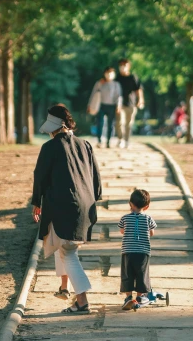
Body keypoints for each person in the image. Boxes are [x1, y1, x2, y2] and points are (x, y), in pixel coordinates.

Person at [32, 103, 102, 315]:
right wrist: (94, 199)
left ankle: (82, 301)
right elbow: (96, 179)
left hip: (63, 204)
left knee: (68, 251)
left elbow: (40, 177)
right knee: (65, 246)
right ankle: (64, 288)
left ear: (54, 126)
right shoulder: (85, 144)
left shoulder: (50, 148)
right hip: (85, 204)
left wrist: (36, 202)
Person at [118, 188, 157, 310]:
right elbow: (152, 233)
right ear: (147, 207)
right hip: (143, 252)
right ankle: (140, 297)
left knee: (127, 274)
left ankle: (129, 297)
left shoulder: (125, 218)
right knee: (142, 274)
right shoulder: (148, 218)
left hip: (127, 251)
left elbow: (122, 231)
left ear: (130, 203)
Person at [88, 67, 122, 148]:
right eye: (107, 72)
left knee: (111, 124)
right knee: (100, 123)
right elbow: (93, 94)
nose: (109, 75)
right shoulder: (99, 83)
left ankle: (108, 141)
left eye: (111, 73)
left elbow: (119, 96)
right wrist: (89, 105)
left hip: (112, 106)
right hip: (101, 105)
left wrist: (118, 106)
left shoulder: (116, 84)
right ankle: (99, 140)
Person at [116, 59, 144, 149]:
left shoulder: (133, 77)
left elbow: (138, 89)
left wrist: (140, 100)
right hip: (119, 104)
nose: (123, 67)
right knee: (119, 123)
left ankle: (127, 141)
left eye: (125, 65)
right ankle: (120, 139)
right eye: (121, 65)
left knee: (129, 124)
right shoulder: (117, 78)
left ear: (128, 66)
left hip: (131, 104)